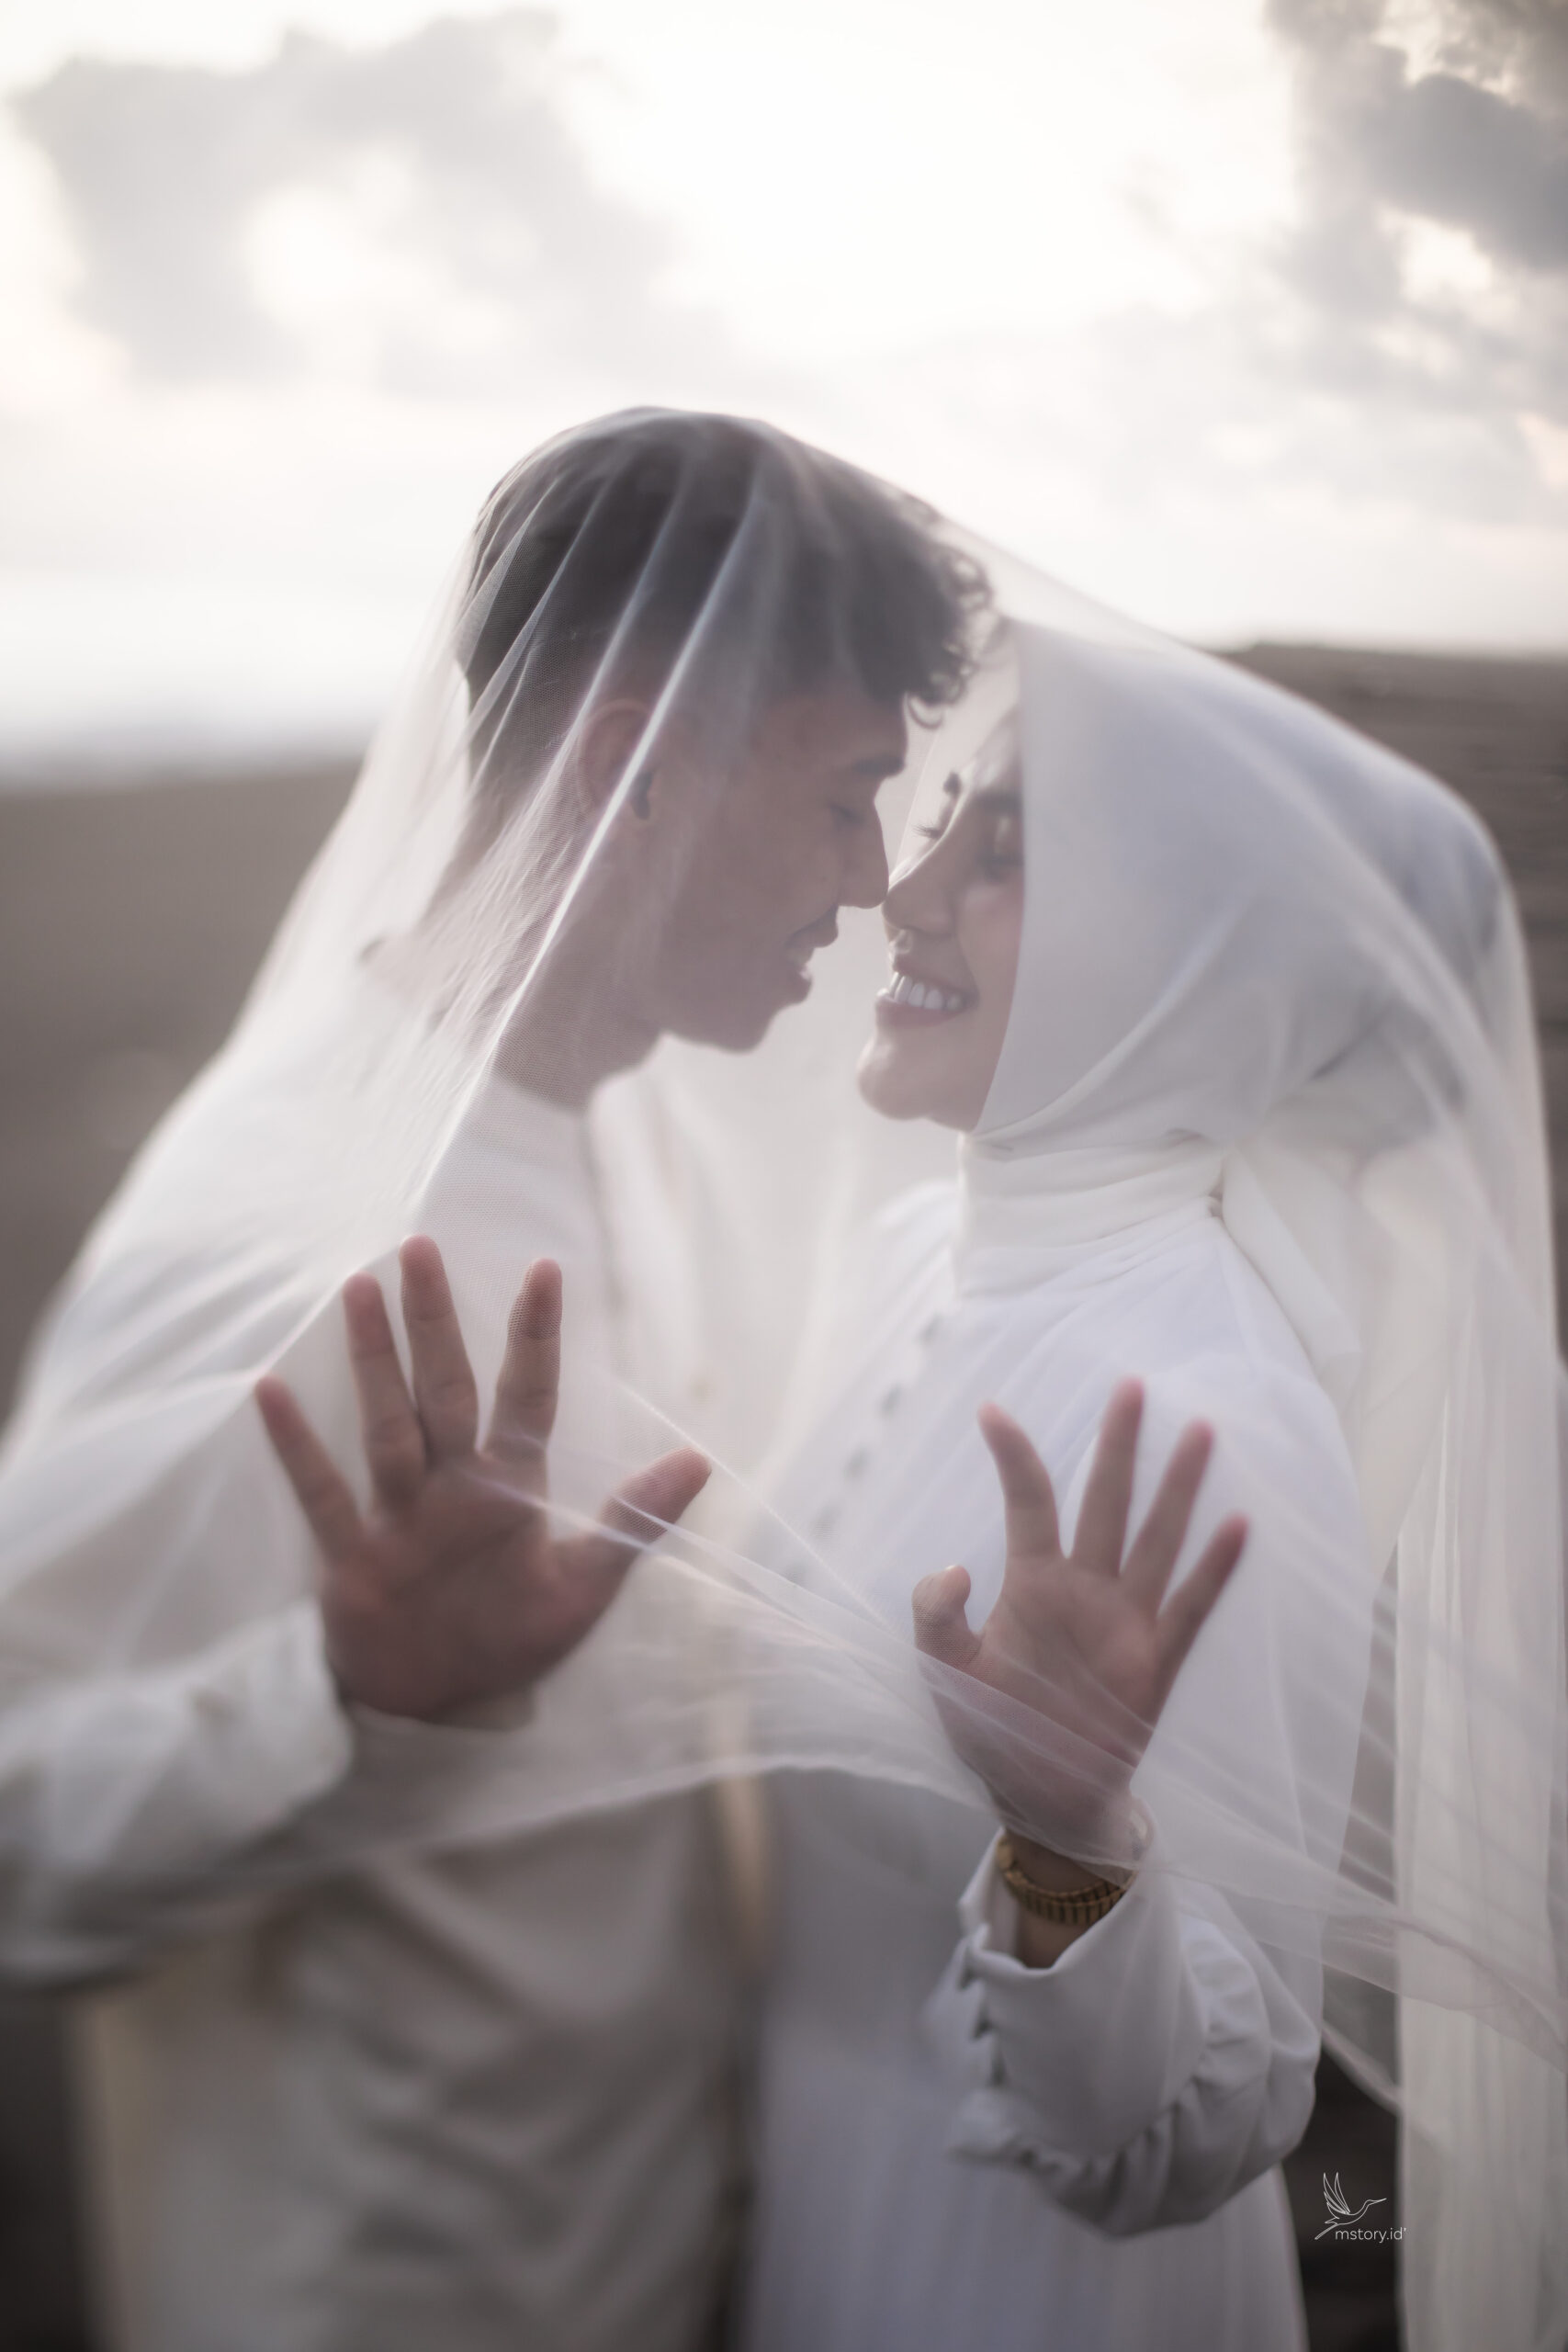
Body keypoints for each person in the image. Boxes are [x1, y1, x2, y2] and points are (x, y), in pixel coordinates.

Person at [0, 412, 989, 2352]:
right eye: (842, 795)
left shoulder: (618, 1118)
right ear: (630, 760)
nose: (874, 877)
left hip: (645, 2249)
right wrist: (344, 1691)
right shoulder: (291, 1239)